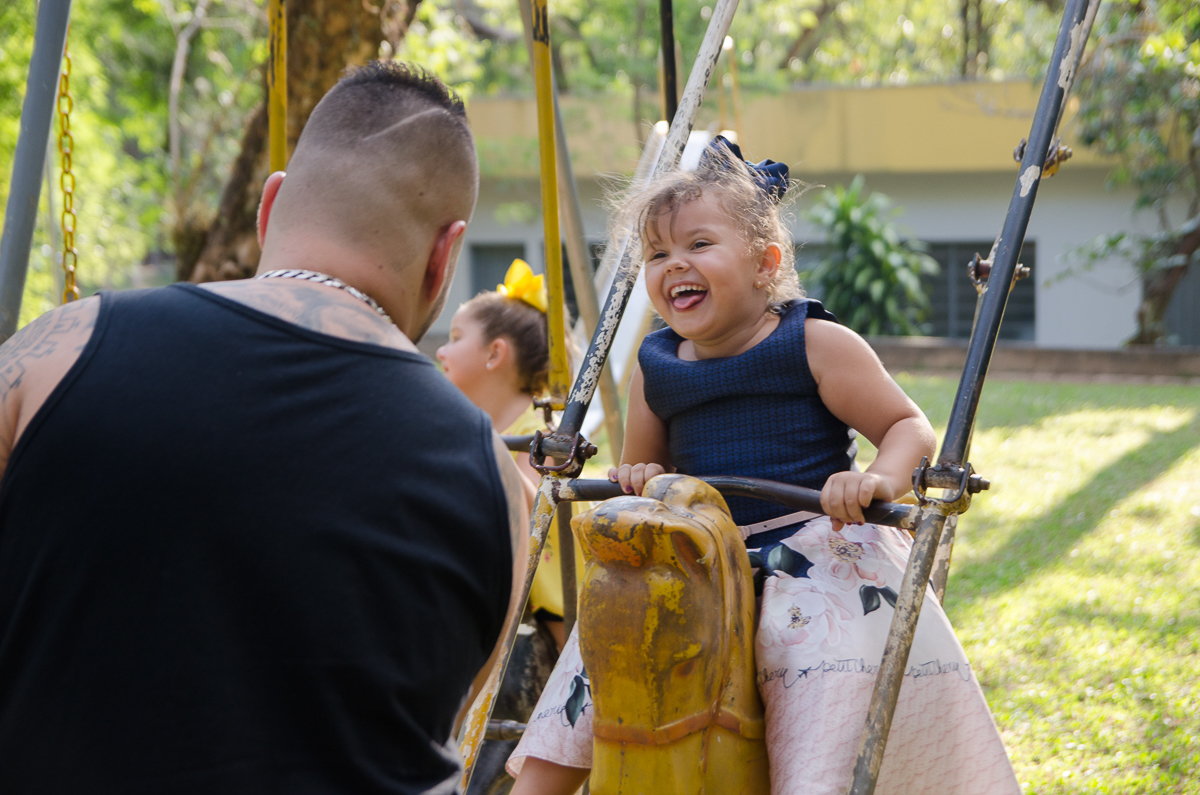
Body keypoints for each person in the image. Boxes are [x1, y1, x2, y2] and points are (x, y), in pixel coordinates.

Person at [0, 61, 527, 795]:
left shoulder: (53, 354)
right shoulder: (495, 483)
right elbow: (449, 722)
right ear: (445, 257)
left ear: (270, 204)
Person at [506, 139, 1021, 795]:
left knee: (815, 658)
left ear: (765, 263)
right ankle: (540, 782)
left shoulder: (813, 343)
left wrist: (877, 480)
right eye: (658, 253)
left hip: (815, 547)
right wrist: (639, 476)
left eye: (698, 245)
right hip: (698, 550)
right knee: (603, 640)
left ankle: (817, 780)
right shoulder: (656, 366)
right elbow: (646, 464)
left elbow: (907, 426)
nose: (675, 264)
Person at [436, 259, 584, 652]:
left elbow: (541, 511)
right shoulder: (488, 431)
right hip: (505, 575)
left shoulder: (540, 434)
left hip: (557, 586)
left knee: (574, 660)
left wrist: (485, 447)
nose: (441, 350)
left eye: (454, 337)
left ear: (494, 353)